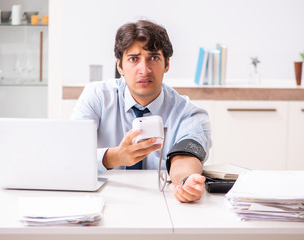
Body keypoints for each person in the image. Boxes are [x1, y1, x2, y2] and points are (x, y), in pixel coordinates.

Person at [71, 20, 212, 203]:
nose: (144, 70)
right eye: (133, 59)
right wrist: (114, 157)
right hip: (104, 200)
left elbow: (185, 157)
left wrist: (186, 182)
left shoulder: (189, 114)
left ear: (167, 64)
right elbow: (71, 155)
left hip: (161, 203)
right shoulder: (97, 97)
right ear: (120, 66)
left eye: (153, 58)